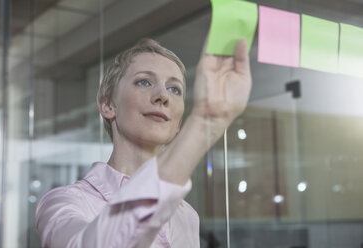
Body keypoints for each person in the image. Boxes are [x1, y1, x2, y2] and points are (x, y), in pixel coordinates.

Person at [35, 36, 252, 247]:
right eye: (144, 82)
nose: (162, 96)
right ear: (108, 105)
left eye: (174, 89)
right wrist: (204, 123)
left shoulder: (187, 217)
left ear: (178, 123)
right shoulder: (64, 203)